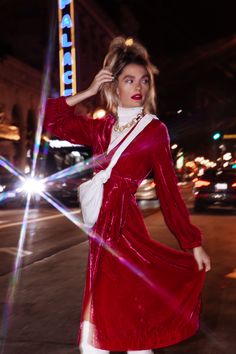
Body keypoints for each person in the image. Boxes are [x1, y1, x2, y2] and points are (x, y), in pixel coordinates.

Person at [44, 37, 211, 354]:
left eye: (144, 81)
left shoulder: (153, 130)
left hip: (125, 229)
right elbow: (51, 118)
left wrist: (192, 242)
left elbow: (168, 191)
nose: (139, 87)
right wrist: (89, 91)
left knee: (118, 326)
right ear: (114, 86)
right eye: (129, 80)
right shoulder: (101, 127)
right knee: (108, 329)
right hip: (101, 230)